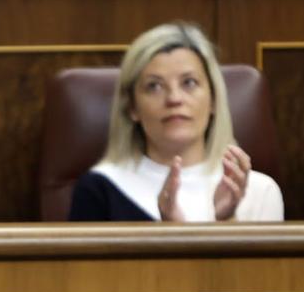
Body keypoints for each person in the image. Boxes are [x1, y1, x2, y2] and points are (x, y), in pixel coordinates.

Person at [68, 22, 284, 221]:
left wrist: (225, 223)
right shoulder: (101, 189)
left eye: (189, 83)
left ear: (214, 100)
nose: (174, 98)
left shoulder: (258, 191)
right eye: (154, 86)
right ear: (132, 107)